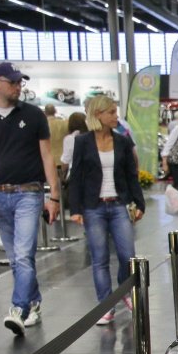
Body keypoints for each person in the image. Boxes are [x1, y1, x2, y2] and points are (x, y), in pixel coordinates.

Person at [0, 62, 61, 337]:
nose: (18, 87)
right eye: (13, 82)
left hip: (29, 192)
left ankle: (18, 309)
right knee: (16, 259)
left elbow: (47, 156)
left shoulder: (33, 115)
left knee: (22, 255)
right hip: (0, 194)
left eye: (20, 82)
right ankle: (33, 303)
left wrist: (54, 196)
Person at [65, 95, 145, 325]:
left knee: (127, 254)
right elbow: (76, 177)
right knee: (99, 258)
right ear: (98, 114)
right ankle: (106, 304)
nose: (115, 116)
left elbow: (131, 175)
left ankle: (124, 291)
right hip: (94, 207)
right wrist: (75, 208)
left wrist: (139, 203)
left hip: (119, 204)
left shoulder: (123, 142)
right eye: (111, 112)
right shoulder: (82, 142)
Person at [44, 102, 67, 176]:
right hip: (62, 160)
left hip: (48, 161)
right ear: (55, 111)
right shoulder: (64, 123)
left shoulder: (42, 125)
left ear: (45, 112)